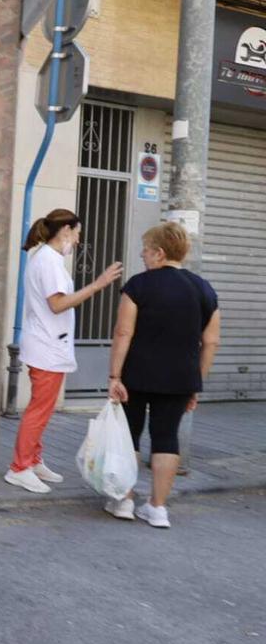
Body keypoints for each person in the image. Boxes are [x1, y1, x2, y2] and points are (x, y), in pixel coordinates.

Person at [106, 222, 220, 528]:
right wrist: (196, 383)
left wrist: (114, 375)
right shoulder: (205, 290)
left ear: (158, 253)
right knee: (166, 437)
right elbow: (211, 342)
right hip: (181, 378)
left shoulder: (138, 285)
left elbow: (123, 331)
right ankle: (157, 508)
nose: (142, 255)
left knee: (129, 433)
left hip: (136, 374)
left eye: (145, 249)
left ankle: (124, 500)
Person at [5, 208, 123, 494]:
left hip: (48, 344)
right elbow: (57, 304)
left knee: (42, 410)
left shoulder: (48, 259)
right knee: (39, 410)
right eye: (78, 233)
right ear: (66, 231)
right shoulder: (48, 261)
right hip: (46, 346)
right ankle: (19, 468)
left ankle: (32, 460)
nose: (79, 240)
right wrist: (98, 284)